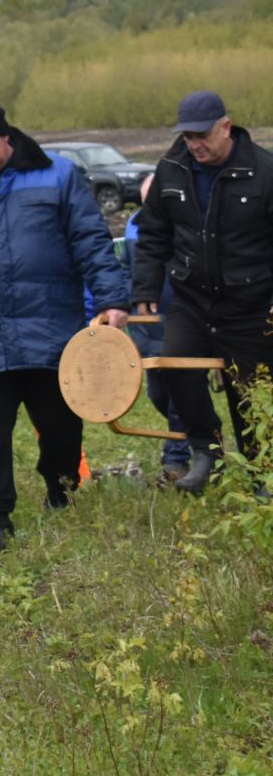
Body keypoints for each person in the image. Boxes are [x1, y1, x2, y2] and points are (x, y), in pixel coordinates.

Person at [0, 98, 130, 551]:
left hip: (50, 334)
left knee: (61, 429)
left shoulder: (58, 176)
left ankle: (60, 484)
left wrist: (111, 298)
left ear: (7, 136)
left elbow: (91, 240)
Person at [133, 91, 273, 492]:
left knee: (249, 391)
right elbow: (153, 233)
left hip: (249, 304)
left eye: (202, 135)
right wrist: (144, 285)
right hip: (192, 299)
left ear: (225, 127)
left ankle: (261, 473)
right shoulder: (172, 168)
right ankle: (205, 450)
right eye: (187, 136)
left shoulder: (263, 170)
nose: (195, 145)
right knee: (176, 365)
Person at [123, 175, 190, 482]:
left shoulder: (188, 226)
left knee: (181, 395)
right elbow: (127, 269)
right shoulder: (134, 227)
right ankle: (203, 435)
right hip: (147, 331)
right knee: (158, 394)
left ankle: (175, 461)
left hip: (184, 326)